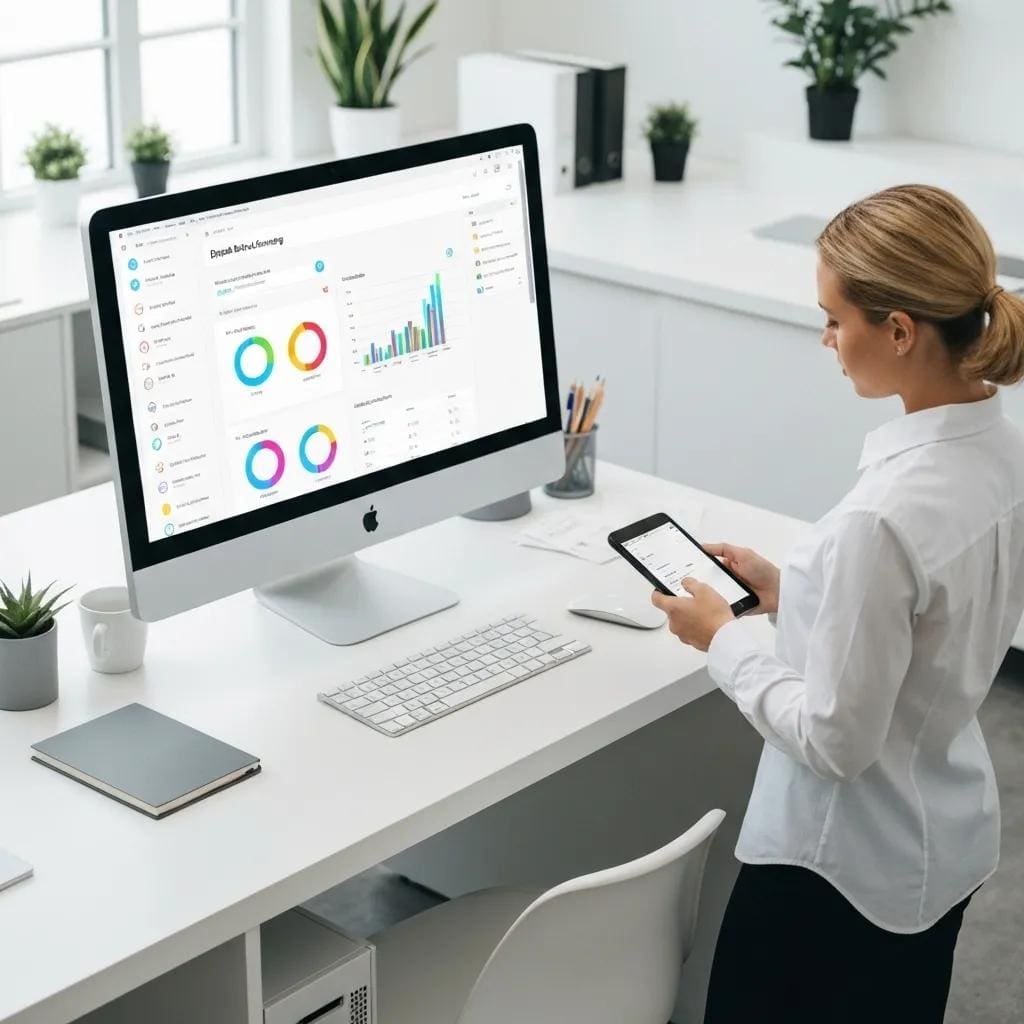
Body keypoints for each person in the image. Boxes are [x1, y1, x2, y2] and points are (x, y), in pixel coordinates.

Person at [651, 184, 1024, 1024]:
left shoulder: (880, 519)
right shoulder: (1002, 453)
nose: (825, 338)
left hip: (836, 876)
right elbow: (932, 623)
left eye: (833, 317)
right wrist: (795, 592)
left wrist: (725, 638)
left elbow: (834, 741)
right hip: (943, 842)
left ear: (898, 330)